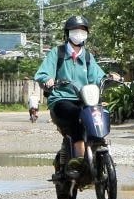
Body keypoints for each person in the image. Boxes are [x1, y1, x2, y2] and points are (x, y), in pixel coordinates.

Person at [34, 15, 109, 176]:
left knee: (98, 113)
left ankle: (98, 149)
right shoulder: (57, 53)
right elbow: (42, 73)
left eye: (82, 30)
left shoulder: (88, 57)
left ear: (87, 33)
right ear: (67, 33)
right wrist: (48, 79)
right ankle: (79, 159)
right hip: (62, 98)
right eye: (75, 30)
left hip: (85, 99)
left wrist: (109, 77)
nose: (78, 33)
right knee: (77, 116)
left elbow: (98, 76)